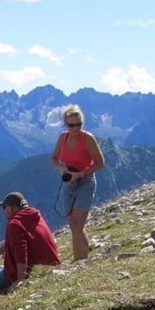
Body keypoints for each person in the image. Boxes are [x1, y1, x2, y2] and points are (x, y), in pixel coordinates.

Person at [50, 105, 105, 262]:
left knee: (78, 225)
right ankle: (82, 257)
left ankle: (79, 259)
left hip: (85, 182)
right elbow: (53, 158)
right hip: (69, 182)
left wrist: (80, 174)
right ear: (65, 125)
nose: (75, 128)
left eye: (78, 124)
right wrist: (62, 168)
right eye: (71, 125)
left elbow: (100, 163)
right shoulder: (63, 138)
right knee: (73, 224)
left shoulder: (87, 138)